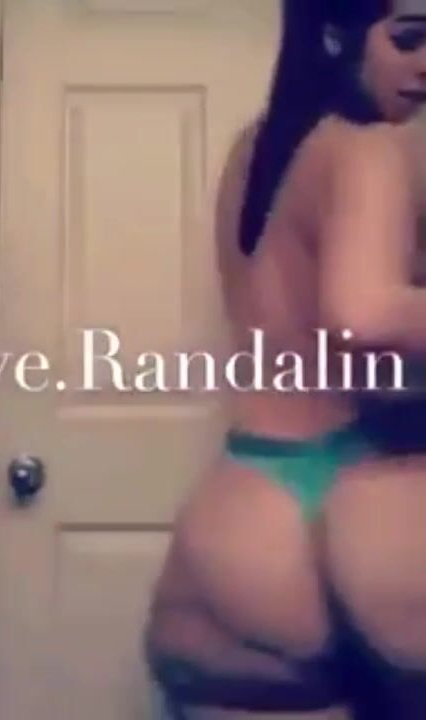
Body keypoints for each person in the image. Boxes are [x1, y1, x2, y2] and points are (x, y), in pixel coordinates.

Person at [144, 1, 426, 718]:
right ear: (335, 36)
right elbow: (363, 312)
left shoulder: (262, 149)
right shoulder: (371, 149)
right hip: (352, 497)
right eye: (410, 38)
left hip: (242, 507)